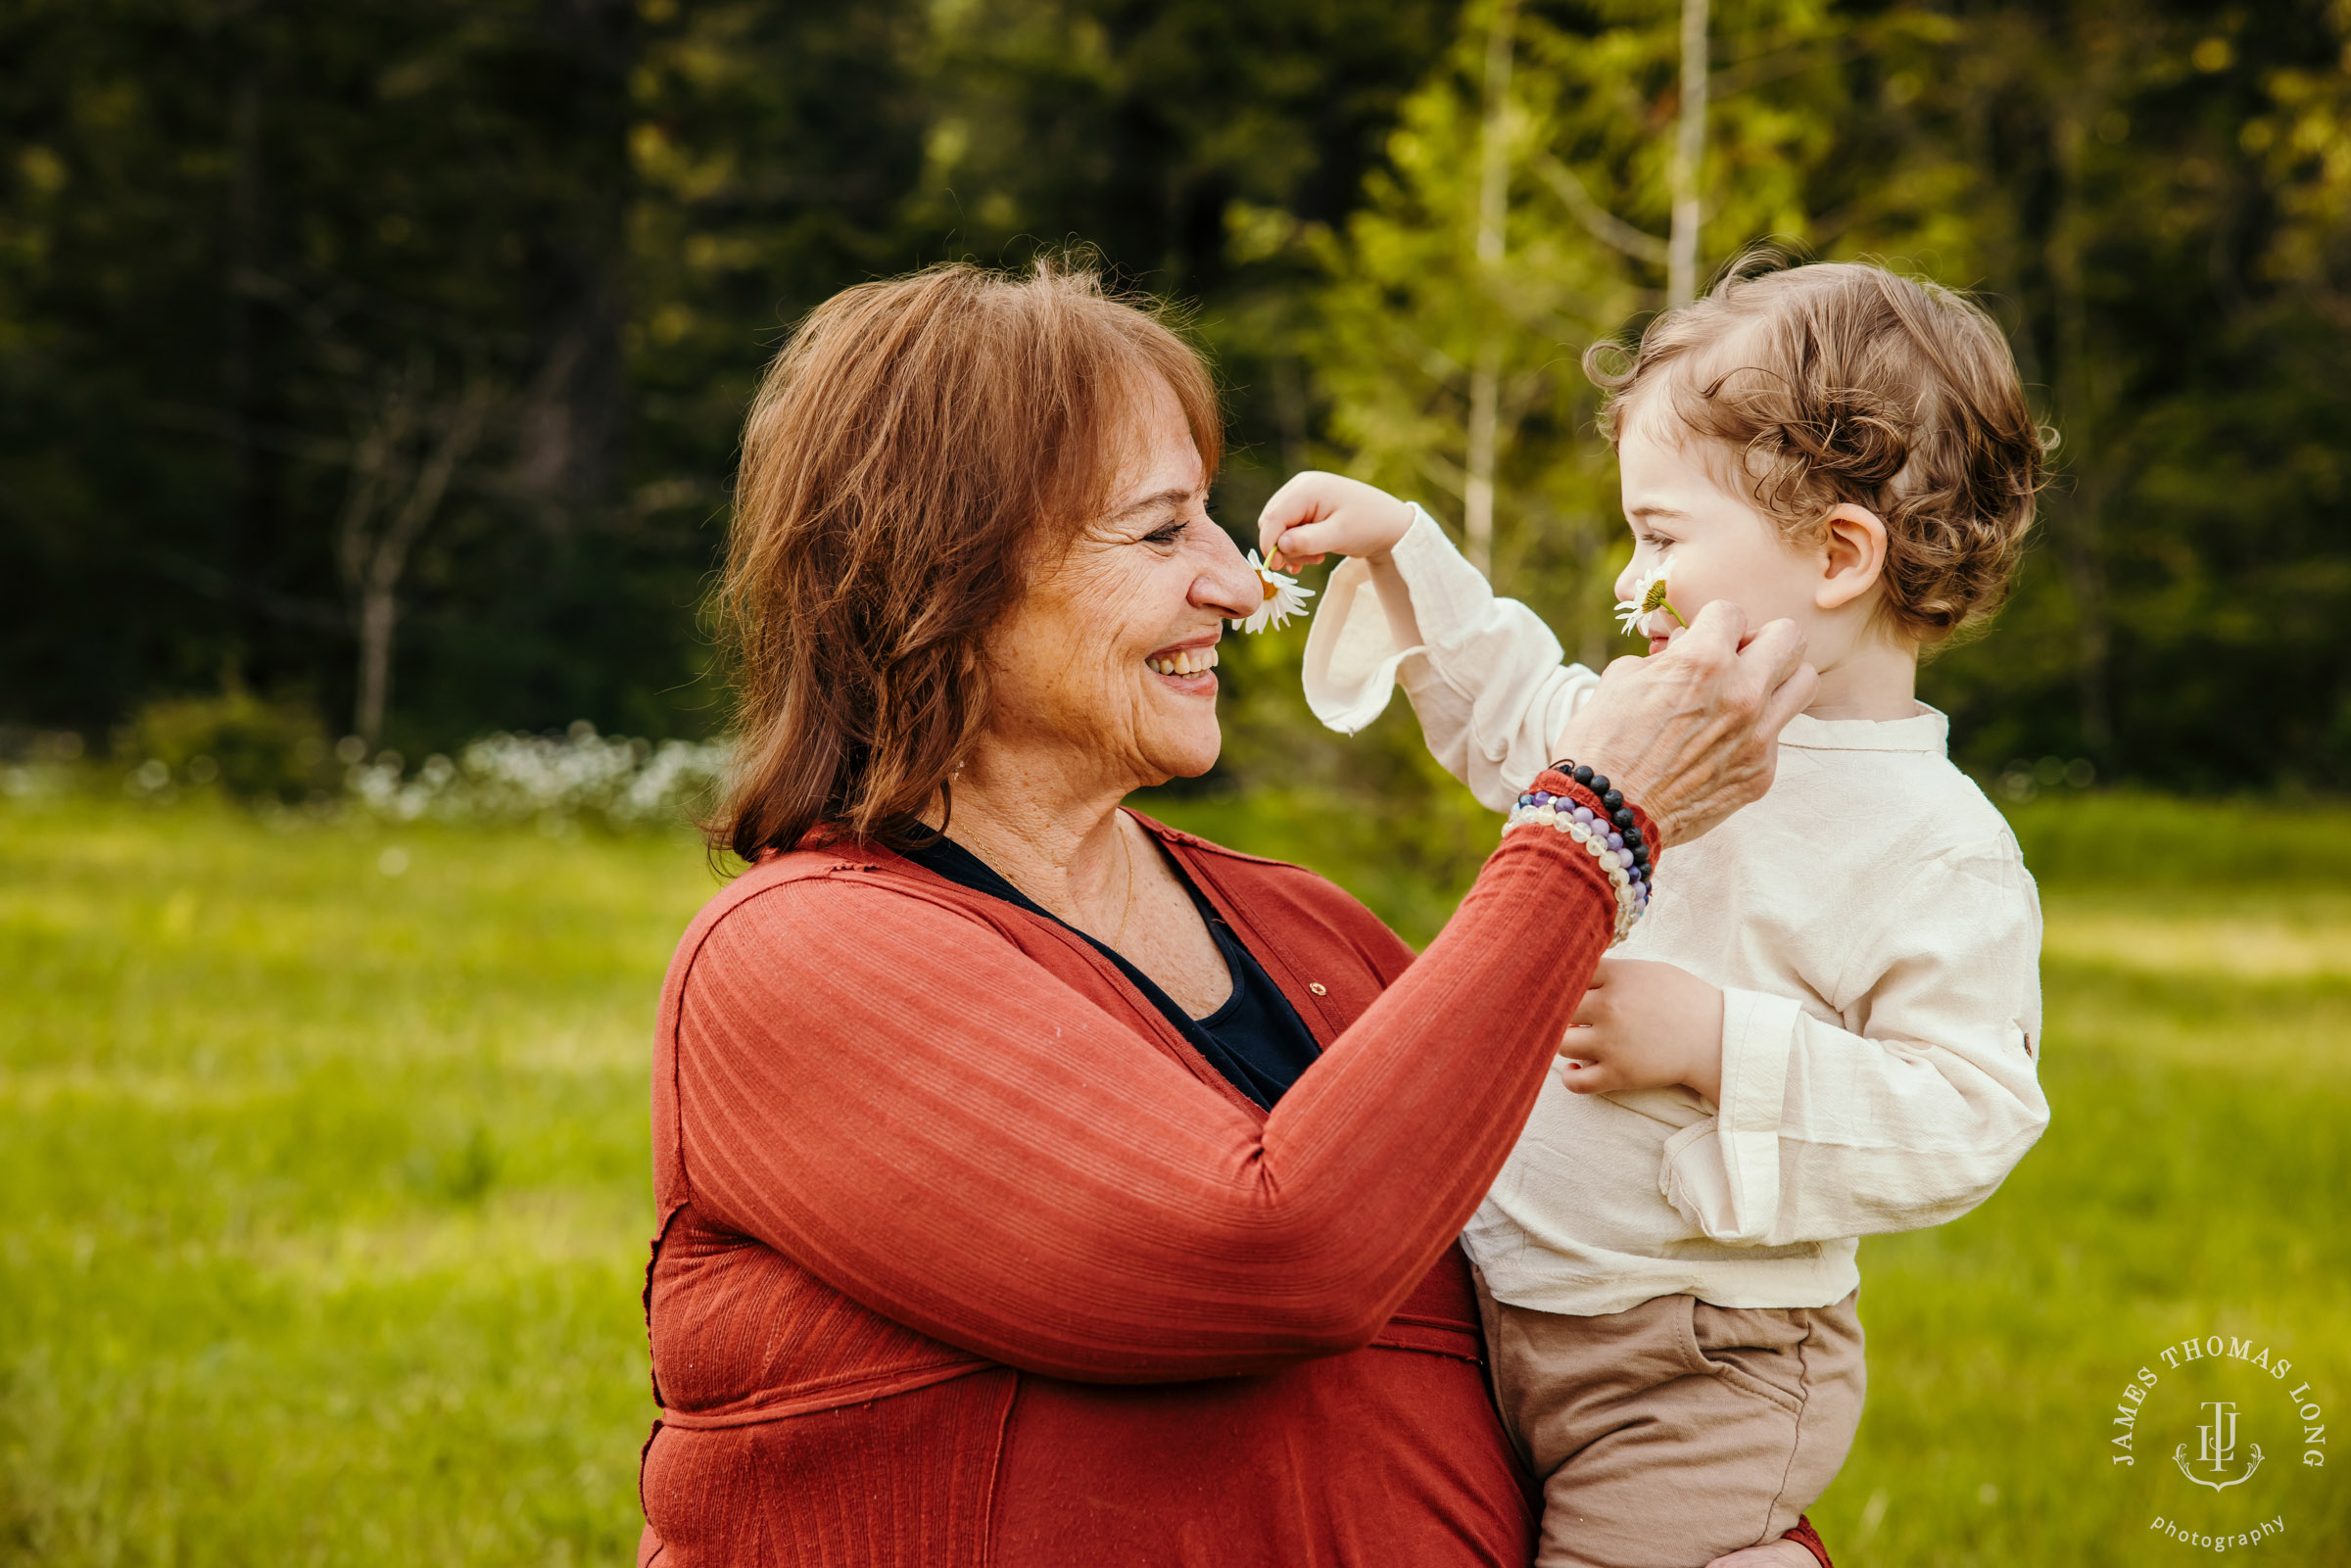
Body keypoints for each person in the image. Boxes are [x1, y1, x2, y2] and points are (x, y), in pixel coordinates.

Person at [634, 260, 1833, 1567]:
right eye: (1160, 533)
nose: (1235, 579)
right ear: (945, 586)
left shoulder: (1306, 931)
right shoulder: (796, 958)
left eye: (1214, 520)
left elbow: (1611, 1299)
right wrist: (1592, 824)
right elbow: (1273, 1254)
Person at [1257, 258, 2053, 1568]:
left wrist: (1718, 1044)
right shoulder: (1670, 715)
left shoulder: (1937, 849)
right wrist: (1409, 554)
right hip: (1503, 1287)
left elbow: (1973, 1113)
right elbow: (1524, 713)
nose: (1638, 578)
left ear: (1837, 554)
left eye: (1664, 537)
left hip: (1699, 1361)